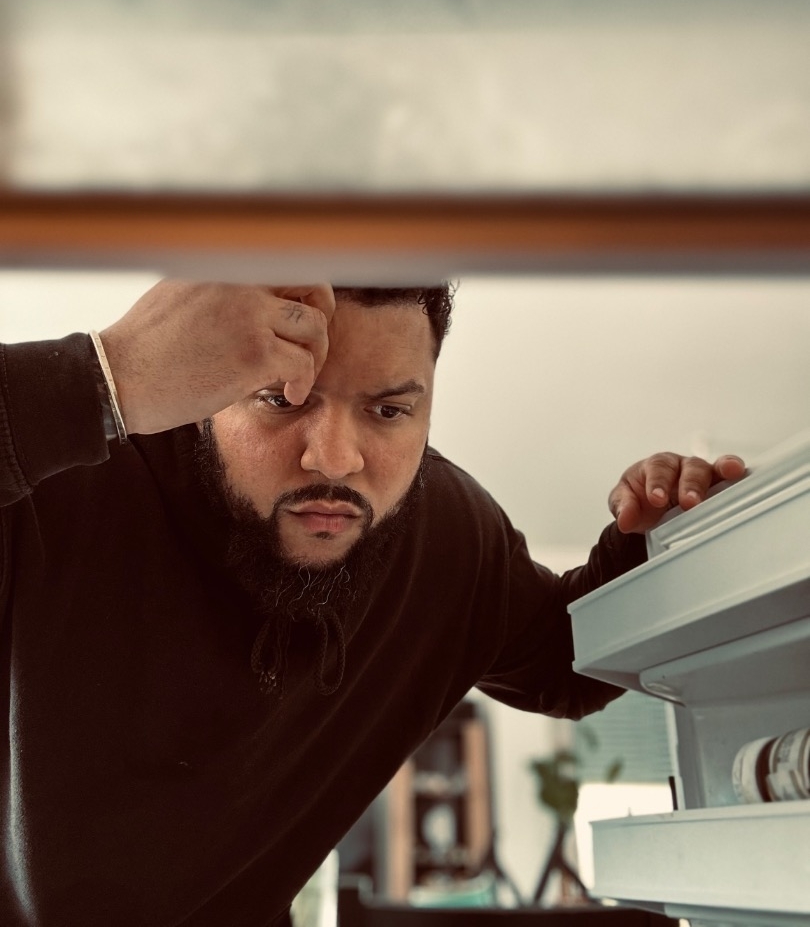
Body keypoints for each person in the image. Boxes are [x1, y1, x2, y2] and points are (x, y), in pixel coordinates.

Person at [0, 280, 745, 927]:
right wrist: (106, 375)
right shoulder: (60, 483)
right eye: (281, 399)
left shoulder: (450, 539)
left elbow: (565, 661)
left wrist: (656, 538)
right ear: (204, 395)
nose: (335, 459)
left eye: (388, 412)